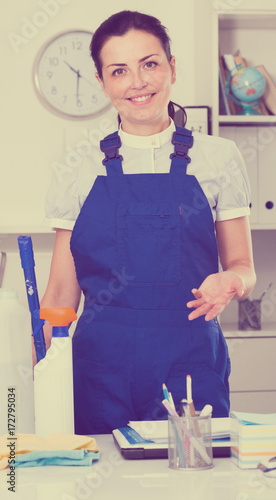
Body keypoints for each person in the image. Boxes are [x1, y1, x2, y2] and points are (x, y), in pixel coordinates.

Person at [41, 10, 256, 434]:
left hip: (190, 368)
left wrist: (232, 282)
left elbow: (243, 266)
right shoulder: (77, 167)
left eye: (150, 64)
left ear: (172, 68)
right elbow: (61, 293)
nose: (137, 82)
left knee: (193, 486)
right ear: (102, 82)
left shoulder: (220, 158)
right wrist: (29, 379)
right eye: (119, 71)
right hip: (99, 373)